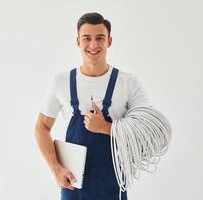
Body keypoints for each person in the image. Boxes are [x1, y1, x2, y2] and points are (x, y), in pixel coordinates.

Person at [35, 12, 152, 200]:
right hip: (73, 184)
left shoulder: (128, 82)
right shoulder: (61, 82)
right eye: (86, 38)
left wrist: (106, 127)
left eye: (100, 38)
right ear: (78, 42)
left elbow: (147, 131)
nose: (93, 45)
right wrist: (56, 169)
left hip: (112, 183)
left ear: (109, 41)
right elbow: (42, 127)